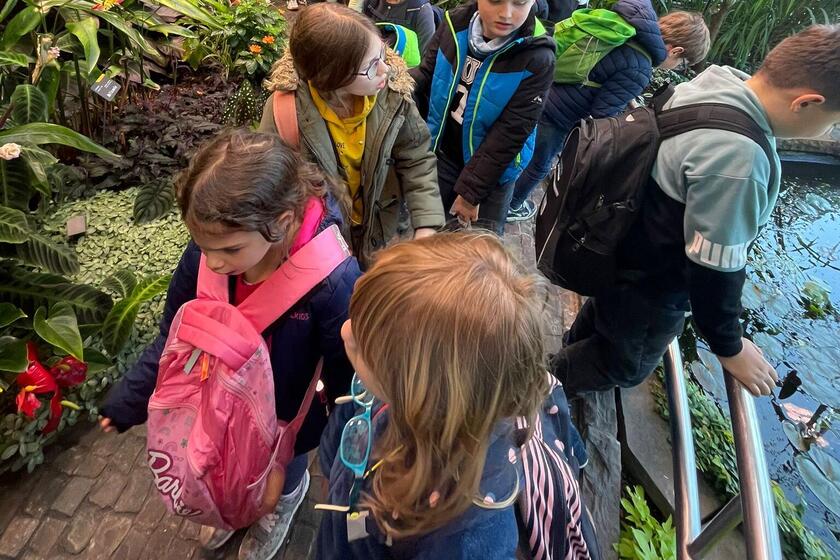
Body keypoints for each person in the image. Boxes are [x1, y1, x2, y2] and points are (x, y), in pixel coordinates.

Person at [99, 130, 362, 560]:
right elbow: (174, 334)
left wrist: (338, 463)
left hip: (287, 422)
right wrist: (131, 397)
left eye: (229, 249)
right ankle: (239, 508)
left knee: (280, 474)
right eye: (204, 247)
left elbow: (346, 385)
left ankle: (287, 498)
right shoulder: (209, 249)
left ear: (279, 224)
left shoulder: (333, 283)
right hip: (221, 399)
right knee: (233, 469)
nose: (213, 261)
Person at [554, 24, 840, 397]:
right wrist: (730, 346)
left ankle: (556, 364)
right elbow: (715, 265)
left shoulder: (714, 84)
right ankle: (528, 392)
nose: (830, 131)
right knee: (621, 364)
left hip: (619, 249)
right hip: (651, 288)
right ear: (806, 103)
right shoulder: (739, 160)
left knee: (599, 321)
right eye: (834, 122)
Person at [316, 232, 597, 558]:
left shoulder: (466, 539)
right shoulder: (397, 386)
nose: (345, 331)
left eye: (365, 349)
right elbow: (354, 412)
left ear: (426, 396)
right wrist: (330, 467)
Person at [260, 3, 444, 268]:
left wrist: (426, 223)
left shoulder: (393, 96)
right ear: (329, 77)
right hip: (322, 240)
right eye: (370, 66)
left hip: (379, 227)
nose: (385, 70)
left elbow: (416, 158)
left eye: (382, 53)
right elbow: (271, 185)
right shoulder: (285, 112)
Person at [506, 0, 669, 222]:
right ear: (677, 50)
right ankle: (511, 205)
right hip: (560, 116)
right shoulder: (640, 66)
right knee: (538, 165)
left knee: (513, 144)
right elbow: (603, 114)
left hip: (541, 89)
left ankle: (490, 189)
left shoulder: (615, 25)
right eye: (684, 61)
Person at [410, 0, 556, 235]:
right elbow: (426, 72)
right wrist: (394, 85)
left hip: (493, 175)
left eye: (520, 3)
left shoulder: (537, 56)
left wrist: (471, 192)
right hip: (444, 152)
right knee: (433, 232)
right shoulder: (454, 24)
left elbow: (511, 132)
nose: (506, 14)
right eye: (495, 0)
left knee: (479, 244)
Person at [363, 0, 437, 59]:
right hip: (369, 64)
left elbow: (426, 57)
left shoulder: (421, 10)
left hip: (404, 71)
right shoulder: (371, 2)